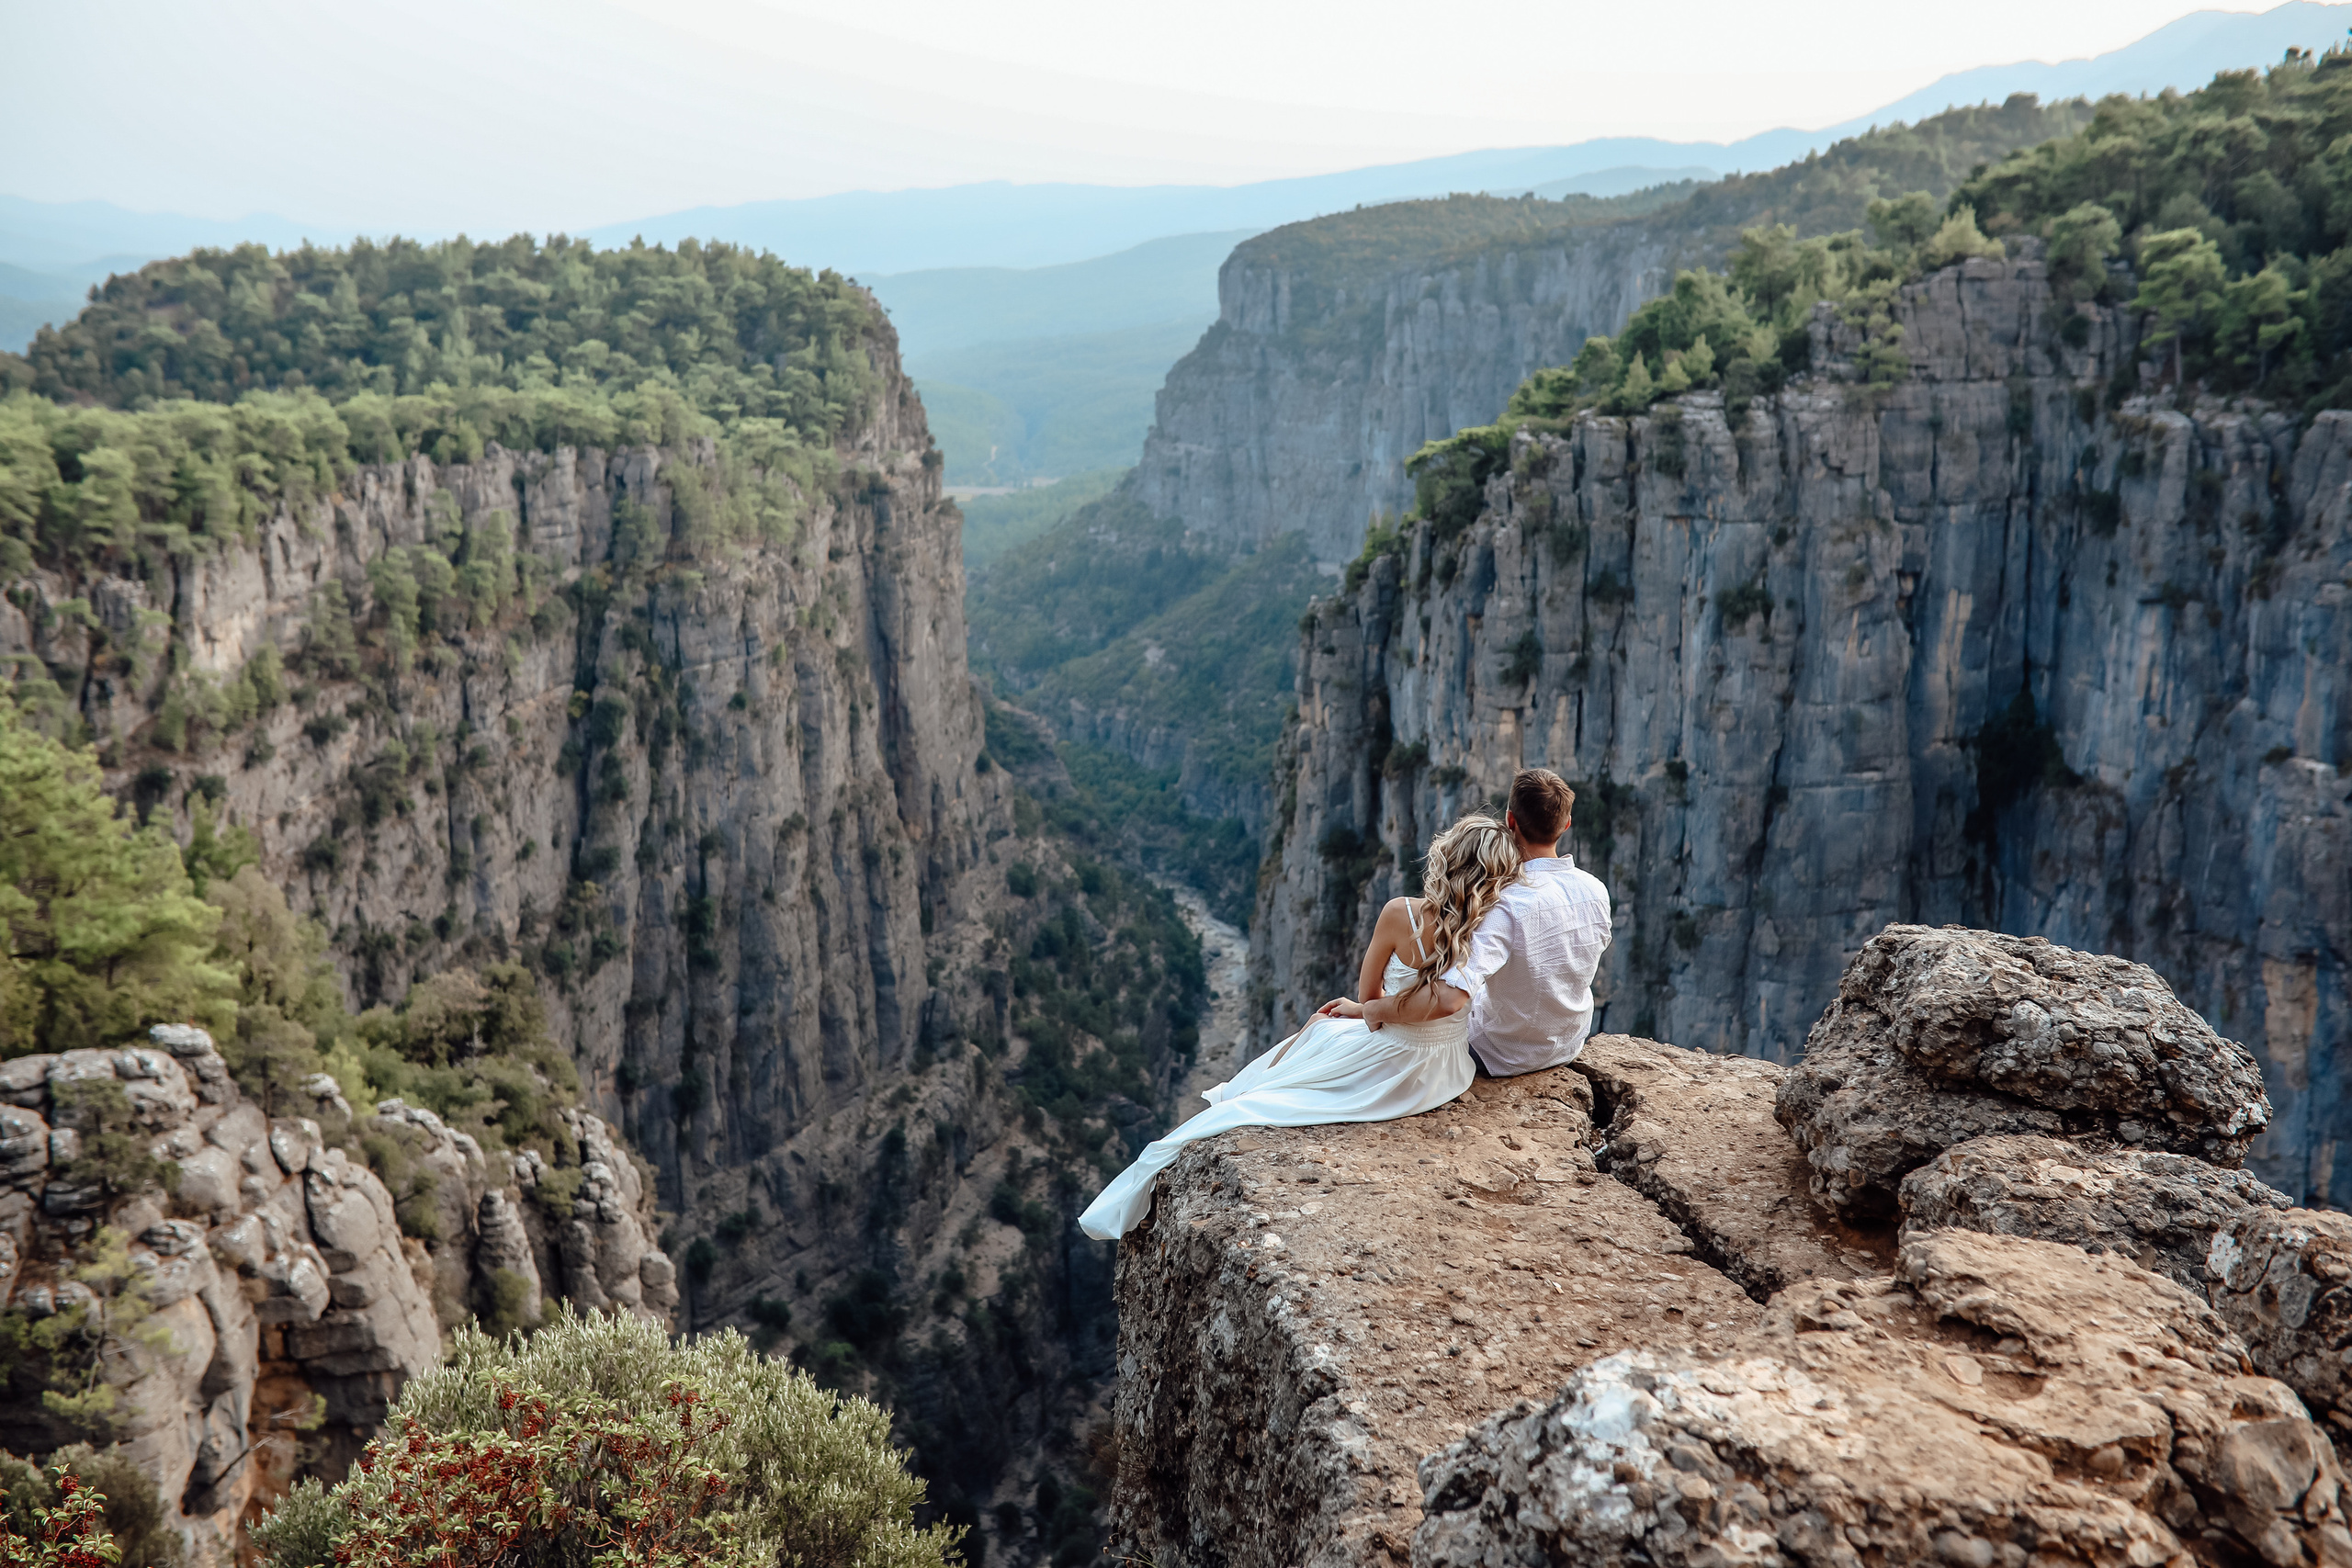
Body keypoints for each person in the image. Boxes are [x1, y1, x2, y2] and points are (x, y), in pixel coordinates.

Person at [1076, 814, 1523, 1241]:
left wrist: (1365, 1009)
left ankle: (1255, 1087)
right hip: (1447, 1069)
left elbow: (1368, 997)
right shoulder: (1492, 928)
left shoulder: (1399, 914)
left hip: (1395, 1058)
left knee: (1315, 1033)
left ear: (1445, 858)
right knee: (1320, 1031)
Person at [1440, 768, 1613, 1077]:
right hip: (1566, 1045)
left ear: (1510, 821)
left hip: (1500, 1054)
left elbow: (1452, 999)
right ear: (1566, 825)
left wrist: (1374, 1010)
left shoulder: (1506, 902)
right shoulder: (1596, 890)